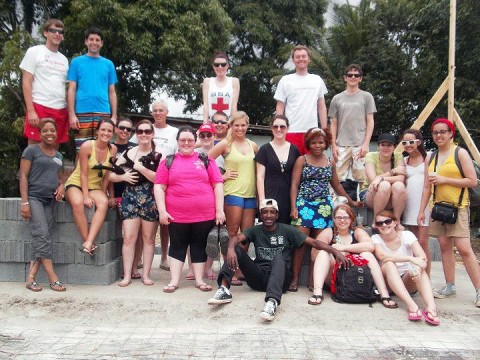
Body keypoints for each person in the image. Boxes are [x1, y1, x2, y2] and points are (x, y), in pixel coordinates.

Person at [207, 199, 350, 321]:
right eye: (265, 212)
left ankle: (272, 301)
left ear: (277, 215)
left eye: (272, 212)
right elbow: (237, 238)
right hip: (258, 278)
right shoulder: (255, 230)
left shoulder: (287, 230)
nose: (268, 215)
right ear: (260, 215)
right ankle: (224, 289)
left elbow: (314, 243)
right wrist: (230, 249)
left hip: (281, 281)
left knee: (279, 257)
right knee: (236, 249)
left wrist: (335, 251)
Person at [154, 126, 225, 293]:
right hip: (176, 216)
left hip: (204, 214)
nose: (186, 143)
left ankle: (200, 280)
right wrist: (162, 211)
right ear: (177, 142)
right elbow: (159, 187)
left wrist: (219, 210)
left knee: (199, 246)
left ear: (196, 141)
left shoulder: (206, 160)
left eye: (190, 140)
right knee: (177, 246)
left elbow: (218, 185)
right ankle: (174, 281)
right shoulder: (168, 161)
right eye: (182, 140)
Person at [418, 118, 480, 306]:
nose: (439, 135)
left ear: (451, 133)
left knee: (464, 249)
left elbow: (472, 181)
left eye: (443, 131)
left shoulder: (460, 153)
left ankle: (478, 290)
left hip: (458, 206)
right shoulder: (431, 157)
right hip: (437, 208)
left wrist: (445, 179)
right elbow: (427, 187)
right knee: (445, 247)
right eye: (435, 132)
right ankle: (450, 285)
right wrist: (422, 211)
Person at [289, 127, 360, 292]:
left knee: (319, 245)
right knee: (300, 243)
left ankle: (313, 279)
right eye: (313, 142)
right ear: (308, 143)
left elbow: (336, 185)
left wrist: (351, 201)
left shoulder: (330, 162)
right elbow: (294, 184)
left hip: (323, 207)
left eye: (320, 142)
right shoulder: (302, 160)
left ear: (326, 143)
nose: (317, 145)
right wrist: (294, 206)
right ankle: (295, 277)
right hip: (304, 204)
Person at [309, 204, 396, 307]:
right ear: (334, 219)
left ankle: (384, 294)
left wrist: (343, 248)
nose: (342, 220)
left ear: (351, 219)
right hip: (335, 276)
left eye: (346, 217)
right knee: (323, 253)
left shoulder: (357, 232)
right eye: (339, 217)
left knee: (367, 254)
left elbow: (370, 246)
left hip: (356, 276)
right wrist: (335, 254)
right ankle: (317, 293)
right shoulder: (329, 232)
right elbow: (314, 252)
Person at [209, 111, 259, 285]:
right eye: (236, 125)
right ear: (231, 126)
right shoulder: (225, 144)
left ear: (247, 126)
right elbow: (206, 160)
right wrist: (220, 176)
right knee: (231, 233)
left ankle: (240, 268)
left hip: (251, 195)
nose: (240, 128)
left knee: (245, 235)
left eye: (243, 125)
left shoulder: (253, 145)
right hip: (233, 193)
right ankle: (230, 270)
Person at [109, 120, 160, 287]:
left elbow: (159, 179)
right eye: (140, 131)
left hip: (150, 198)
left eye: (147, 131)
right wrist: (123, 177)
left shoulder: (158, 154)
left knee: (148, 239)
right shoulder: (129, 153)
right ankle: (127, 276)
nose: (143, 134)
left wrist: (141, 168)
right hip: (130, 197)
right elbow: (111, 175)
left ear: (152, 133)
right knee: (129, 238)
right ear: (136, 134)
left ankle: (146, 274)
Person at [19, 119, 66, 292]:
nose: (49, 133)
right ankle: (53, 278)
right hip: (34, 198)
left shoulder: (59, 156)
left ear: (56, 133)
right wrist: (25, 202)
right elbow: (23, 176)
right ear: (40, 133)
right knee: (43, 236)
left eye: (52, 130)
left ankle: (30, 279)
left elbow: (59, 178)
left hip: (50, 201)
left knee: (41, 238)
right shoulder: (31, 151)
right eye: (45, 130)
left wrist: (62, 186)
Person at [132, 100, 178, 272]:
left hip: (166, 179)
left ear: (167, 112)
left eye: (161, 110)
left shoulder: (173, 131)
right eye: (155, 110)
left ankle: (164, 257)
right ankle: (140, 257)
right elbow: (132, 146)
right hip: (144, 180)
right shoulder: (145, 128)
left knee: (165, 221)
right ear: (152, 113)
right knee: (144, 223)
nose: (158, 113)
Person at [372, 210, 440, 325]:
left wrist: (418, 269)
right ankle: (412, 306)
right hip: (389, 282)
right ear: (376, 227)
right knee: (389, 263)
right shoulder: (376, 238)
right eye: (380, 223)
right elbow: (383, 256)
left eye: (387, 221)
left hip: (408, 280)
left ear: (395, 222)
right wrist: (410, 259)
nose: (384, 225)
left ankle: (431, 308)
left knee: (419, 268)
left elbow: (423, 258)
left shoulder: (407, 235)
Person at [65, 119, 117, 255]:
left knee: (103, 202)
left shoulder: (113, 149)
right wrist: (86, 196)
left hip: (95, 186)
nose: (106, 133)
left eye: (109, 131)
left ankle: (89, 241)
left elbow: (107, 176)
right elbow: (82, 173)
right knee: (78, 203)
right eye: (103, 130)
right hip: (76, 183)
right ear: (98, 131)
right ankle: (87, 241)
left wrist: (104, 193)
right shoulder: (87, 146)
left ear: (113, 133)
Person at [329, 64, 376, 200]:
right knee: (336, 177)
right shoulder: (337, 98)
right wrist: (333, 146)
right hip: (341, 144)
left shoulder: (367, 97)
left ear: (360, 78)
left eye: (356, 75)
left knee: (361, 179)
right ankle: (336, 208)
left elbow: (370, 120)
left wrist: (366, 144)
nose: (353, 77)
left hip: (359, 144)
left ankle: (362, 208)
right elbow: (333, 123)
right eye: (350, 75)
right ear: (345, 78)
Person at [67, 27, 118, 151]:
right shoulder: (76, 62)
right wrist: (72, 115)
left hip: (103, 113)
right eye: (91, 39)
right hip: (82, 113)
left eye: (97, 40)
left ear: (101, 43)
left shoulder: (108, 64)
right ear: (86, 41)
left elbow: (112, 92)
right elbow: (71, 89)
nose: (94, 42)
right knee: (81, 150)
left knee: (102, 150)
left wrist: (114, 116)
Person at [20, 19, 69, 147]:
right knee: (34, 152)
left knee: (54, 153)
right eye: (53, 31)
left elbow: (65, 87)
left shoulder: (64, 59)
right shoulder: (34, 51)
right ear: (45, 33)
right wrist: (30, 110)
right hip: (39, 106)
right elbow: (26, 82)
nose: (57, 34)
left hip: (60, 109)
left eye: (60, 32)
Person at [274, 45, 328, 154]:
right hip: (291, 131)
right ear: (293, 60)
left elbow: (322, 107)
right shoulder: (285, 80)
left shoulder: (317, 80)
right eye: (297, 57)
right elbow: (280, 106)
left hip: (312, 132)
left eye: (304, 56)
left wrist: (324, 129)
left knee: (311, 167)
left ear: (309, 59)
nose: (301, 59)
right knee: (291, 167)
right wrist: (278, 129)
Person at [185, 123, 218, 281]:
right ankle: (192, 267)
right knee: (192, 236)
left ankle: (208, 267)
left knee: (211, 236)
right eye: (202, 135)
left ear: (214, 136)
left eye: (209, 135)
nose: (206, 138)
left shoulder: (221, 155)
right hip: (194, 200)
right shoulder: (193, 153)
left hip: (213, 200)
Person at [256, 114, 300, 224]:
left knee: (286, 230)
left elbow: (297, 177)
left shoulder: (294, 150)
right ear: (271, 128)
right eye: (275, 126)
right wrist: (263, 201)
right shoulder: (264, 149)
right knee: (269, 229)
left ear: (288, 129)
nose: (279, 129)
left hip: (288, 197)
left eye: (282, 126)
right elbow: (260, 177)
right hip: (270, 195)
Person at [398, 129, 431, 275]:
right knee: (413, 244)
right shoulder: (404, 161)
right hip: (409, 205)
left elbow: (428, 185)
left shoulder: (429, 157)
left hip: (424, 205)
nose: (408, 145)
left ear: (419, 142)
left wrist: (422, 210)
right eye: (404, 142)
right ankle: (416, 279)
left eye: (411, 141)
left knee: (423, 243)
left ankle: (427, 278)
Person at [360, 133, 406, 227]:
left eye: (389, 145)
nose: (386, 148)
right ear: (378, 147)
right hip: (370, 193)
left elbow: (401, 178)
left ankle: (396, 221)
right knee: (385, 185)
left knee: (399, 185)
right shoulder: (370, 156)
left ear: (394, 147)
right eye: (383, 145)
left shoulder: (398, 156)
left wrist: (381, 178)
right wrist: (393, 172)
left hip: (389, 196)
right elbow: (373, 180)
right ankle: (377, 221)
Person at [202, 51, 240, 123]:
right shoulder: (207, 81)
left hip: (227, 122)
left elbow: (234, 105)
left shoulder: (234, 81)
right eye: (216, 65)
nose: (220, 67)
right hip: (212, 122)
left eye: (223, 64)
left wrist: (232, 123)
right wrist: (205, 123)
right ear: (213, 66)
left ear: (228, 65)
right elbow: (206, 104)